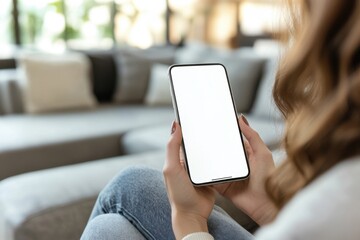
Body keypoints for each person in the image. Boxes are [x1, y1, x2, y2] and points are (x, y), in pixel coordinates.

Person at [81, 0, 360, 239]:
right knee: (110, 229)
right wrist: (267, 208)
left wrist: (189, 220)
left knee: (128, 187)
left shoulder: (333, 206)